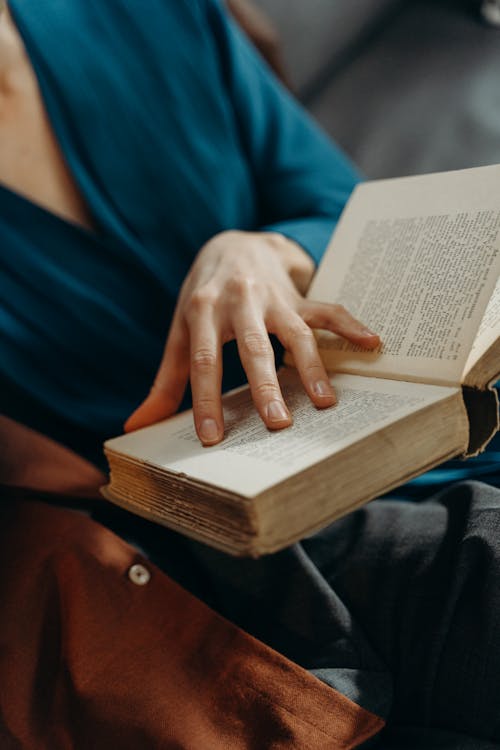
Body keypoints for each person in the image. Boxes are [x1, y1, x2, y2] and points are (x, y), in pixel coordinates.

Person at [0, 1, 499, 747]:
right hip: (242, 539)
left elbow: (337, 203)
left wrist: (265, 249)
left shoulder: (144, 12)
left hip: (396, 407)